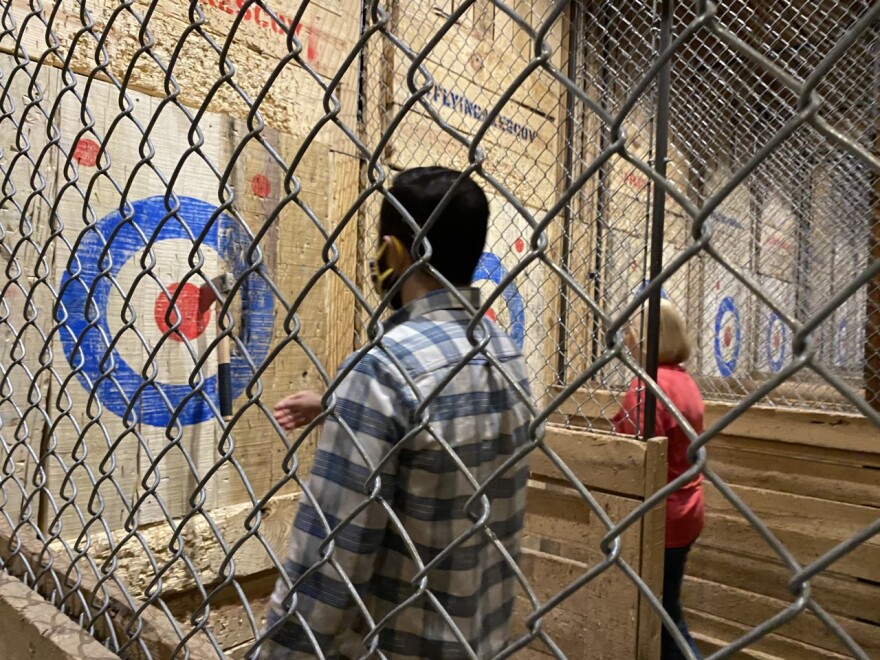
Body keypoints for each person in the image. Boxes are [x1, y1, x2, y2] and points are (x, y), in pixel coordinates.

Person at [258, 167, 534, 659]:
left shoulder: (384, 368)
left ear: (395, 250)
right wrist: (337, 407)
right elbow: (437, 431)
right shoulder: (505, 354)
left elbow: (329, 560)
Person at [612, 299, 705, 660]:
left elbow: (631, 455)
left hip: (660, 516)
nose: (628, 338)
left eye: (633, 329)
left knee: (663, 617)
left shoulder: (646, 387)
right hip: (686, 508)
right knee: (667, 607)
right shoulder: (683, 381)